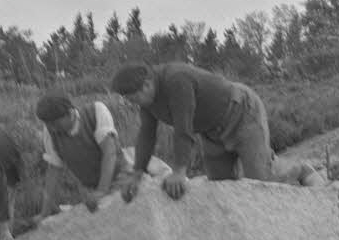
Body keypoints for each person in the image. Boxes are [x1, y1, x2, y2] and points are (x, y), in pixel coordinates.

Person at [110, 61, 282, 201]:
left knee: (261, 184)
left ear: (146, 84)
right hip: (212, 132)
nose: (133, 103)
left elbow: (183, 128)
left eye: (133, 98)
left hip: (242, 114)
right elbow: (146, 135)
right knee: (220, 186)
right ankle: (265, 160)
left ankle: (299, 173)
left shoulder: (177, 80)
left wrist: (179, 172)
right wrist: (137, 172)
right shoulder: (147, 102)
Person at [31, 92, 171, 223]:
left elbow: (109, 153)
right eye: (48, 124)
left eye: (55, 123)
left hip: (121, 174)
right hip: (90, 186)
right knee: (96, 218)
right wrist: (44, 213)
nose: (52, 128)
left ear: (70, 113)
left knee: (128, 210)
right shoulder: (50, 131)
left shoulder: (97, 111)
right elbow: (54, 170)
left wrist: (102, 191)